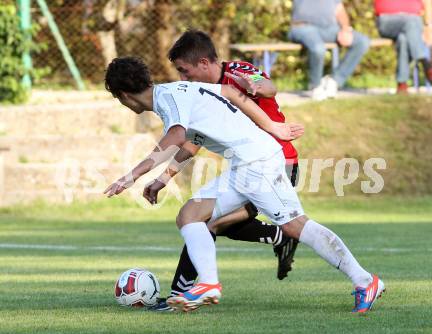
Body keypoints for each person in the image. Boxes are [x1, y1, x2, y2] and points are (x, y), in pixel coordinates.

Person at [103, 56, 385, 314]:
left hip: (258, 163)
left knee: (295, 226)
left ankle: (365, 281)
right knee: (189, 215)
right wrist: (163, 179)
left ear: (124, 96)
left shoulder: (169, 99)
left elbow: (176, 136)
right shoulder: (178, 91)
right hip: (243, 166)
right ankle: (209, 284)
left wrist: (131, 176)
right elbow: (227, 95)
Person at [146, 30, 303, 312]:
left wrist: (252, 84)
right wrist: (163, 178)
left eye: (186, 71)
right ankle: (281, 236)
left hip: (278, 163)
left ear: (205, 63)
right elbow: (193, 142)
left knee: (205, 223)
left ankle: (179, 294)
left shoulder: (236, 72)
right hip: (247, 169)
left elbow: (269, 86)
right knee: (206, 222)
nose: (184, 79)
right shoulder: (202, 95)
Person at [288, 0, 370, 100]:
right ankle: (316, 87)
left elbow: (339, 10)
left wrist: (345, 29)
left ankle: (334, 81)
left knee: (362, 42)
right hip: (302, 27)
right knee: (318, 49)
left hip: (329, 29)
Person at [375, 0, 432, 94]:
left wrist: (429, 27)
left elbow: (428, 2)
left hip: (411, 26)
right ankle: (425, 63)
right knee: (412, 21)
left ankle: (402, 85)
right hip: (386, 21)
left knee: (403, 39)